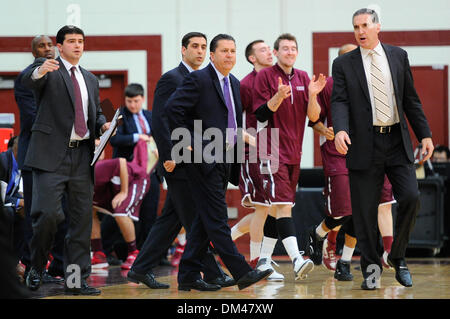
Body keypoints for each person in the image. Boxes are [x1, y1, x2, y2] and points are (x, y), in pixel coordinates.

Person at [331, 8, 434, 290]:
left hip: (397, 141)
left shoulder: (398, 56)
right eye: (355, 27)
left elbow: (411, 99)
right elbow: (339, 101)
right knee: (364, 214)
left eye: (364, 25)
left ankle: (397, 257)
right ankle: (372, 269)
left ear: (378, 27)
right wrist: (340, 129)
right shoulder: (343, 65)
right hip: (364, 145)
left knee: (411, 197)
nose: (360, 31)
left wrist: (424, 134)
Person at [166, 34, 273, 291]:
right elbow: (172, 110)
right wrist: (189, 142)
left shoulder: (234, 83)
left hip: (226, 158)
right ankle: (241, 270)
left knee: (204, 221)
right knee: (216, 217)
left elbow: (231, 123)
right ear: (212, 56)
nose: (229, 55)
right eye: (223, 51)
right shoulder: (198, 79)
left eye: (232, 51)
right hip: (202, 159)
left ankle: (189, 274)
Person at [128, 32, 233, 290]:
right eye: (194, 46)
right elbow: (161, 122)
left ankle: (140, 268)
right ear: (183, 50)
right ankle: (211, 272)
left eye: (203, 47)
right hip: (180, 162)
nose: (199, 51)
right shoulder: (171, 79)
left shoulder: (206, 80)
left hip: (199, 161)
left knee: (171, 221)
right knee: (196, 218)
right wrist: (169, 156)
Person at [21, 25, 108, 295]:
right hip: (49, 156)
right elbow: (30, 80)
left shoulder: (91, 79)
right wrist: (40, 70)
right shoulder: (48, 70)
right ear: (60, 46)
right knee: (47, 215)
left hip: (82, 157)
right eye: (71, 41)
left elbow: (96, 112)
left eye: (81, 41)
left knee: (80, 222)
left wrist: (104, 125)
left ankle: (75, 279)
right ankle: (36, 265)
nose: (77, 46)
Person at [307, 44, 396, 281]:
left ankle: (345, 261)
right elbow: (314, 119)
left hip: (367, 154)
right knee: (343, 210)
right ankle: (319, 234)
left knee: (363, 211)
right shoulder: (328, 85)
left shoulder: (372, 85)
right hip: (337, 153)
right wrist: (321, 122)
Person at [251, 33, 326, 280]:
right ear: (276, 52)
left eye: (293, 48)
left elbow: (313, 118)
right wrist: (278, 97)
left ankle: (263, 261)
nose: (290, 52)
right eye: (285, 48)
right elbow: (260, 115)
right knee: (283, 206)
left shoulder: (304, 77)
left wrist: (313, 95)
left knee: (277, 209)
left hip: (295, 151)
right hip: (271, 148)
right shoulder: (265, 77)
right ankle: (296, 259)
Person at [230, 39, 284, 281]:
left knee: (271, 208)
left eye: (269, 49)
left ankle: (220, 241)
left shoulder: (279, 79)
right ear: (252, 58)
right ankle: (257, 262)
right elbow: (234, 119)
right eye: (263, 50)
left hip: (277, 148)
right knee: (263, 206)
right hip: (254, 150)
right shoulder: (245, 84)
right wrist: (247, 140)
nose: (269, 52)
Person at [14, 35, 66, 283]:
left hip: (60, 156)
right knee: (37, 212)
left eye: (49, 45)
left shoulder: (62, 74)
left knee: (61, 213)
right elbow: (35, 117)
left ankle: (58, 264)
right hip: (35, 154)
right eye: (41, 46)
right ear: (33, 51)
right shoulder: (27, 77)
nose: (47, 49)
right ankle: (30, 265)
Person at [110, 83, 161, 253]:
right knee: (125, 211)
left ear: (143, 99)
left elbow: (159, 136)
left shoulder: (150, 115)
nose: (132, 105)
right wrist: (136, 137)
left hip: (150, 170)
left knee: (150, 212)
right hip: (128, 171)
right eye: (129, 101)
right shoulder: (120, 116)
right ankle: (123, 252)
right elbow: (114, 140)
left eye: (136, 101)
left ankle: (148, 252)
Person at [91, 139, 153, 270]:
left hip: (136, 179)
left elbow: (122, 162)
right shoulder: (80, 174)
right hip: (114, 187)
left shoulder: (96, 168)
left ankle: (133, 253)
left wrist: (124, 192)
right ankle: (98, 254)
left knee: (120, 211)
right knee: (89, 210)